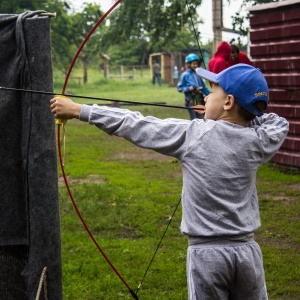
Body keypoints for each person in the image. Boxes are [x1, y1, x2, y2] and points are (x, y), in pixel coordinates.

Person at [50, 64, 289, 300]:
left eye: (212, 91)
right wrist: (245, 118)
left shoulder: (193, 135)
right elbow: (277, 122)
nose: (205, 96)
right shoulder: (259, 141)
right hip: (247, 253)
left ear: (228, 102)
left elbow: (135, 123)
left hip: (207, 256)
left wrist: (78, 109)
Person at [177, 53, 210, 120]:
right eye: (194, 64)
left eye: (196, 64)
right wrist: (188, 88)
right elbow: (179, 88)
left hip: (199, 98)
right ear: (189, 64)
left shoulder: (198, 74)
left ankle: (200, 129)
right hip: (190, 99)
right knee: (194, 117)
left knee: (201, 116)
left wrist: (210, 95)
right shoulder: (185, 75)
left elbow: (203, 87)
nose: (196, 65)